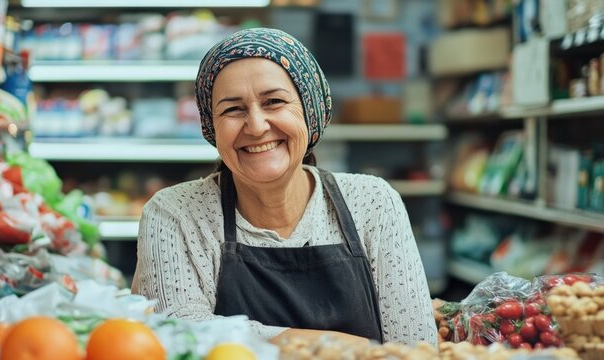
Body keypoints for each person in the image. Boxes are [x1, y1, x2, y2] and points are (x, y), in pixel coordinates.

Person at [132, 27, 437, 346]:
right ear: (212, 126)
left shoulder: (373, 202)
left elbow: (414, 347)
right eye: (233, 109)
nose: (257, 125)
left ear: (310, 112)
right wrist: (334, 345)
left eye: (274, 102)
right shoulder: (174, 214)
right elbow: (180, 332)